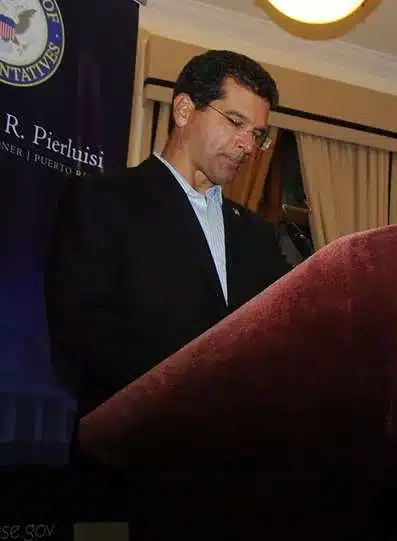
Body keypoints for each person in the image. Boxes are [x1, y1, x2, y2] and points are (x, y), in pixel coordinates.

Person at [46, 50, 291, 416]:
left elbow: (281, 336)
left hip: (230, 459)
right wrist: (191, 392)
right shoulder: (103, 200)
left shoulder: (257, 236)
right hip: (131, 448)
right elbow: (80, 328)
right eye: (235, 122)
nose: (247, 145)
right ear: (184, 111)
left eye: (256, 134)